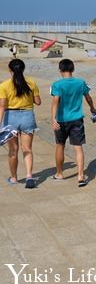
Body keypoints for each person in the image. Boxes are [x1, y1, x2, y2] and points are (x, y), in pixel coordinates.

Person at [51, 59, 96, 187]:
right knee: (78, 147)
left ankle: (59, 174)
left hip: (61, 120)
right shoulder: (81, 83)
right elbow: (88, 97)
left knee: (60, 145)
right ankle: (81, 176)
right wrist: (92, 109)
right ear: (73, 69)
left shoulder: (57, 84)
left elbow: (55, 101)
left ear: (60, 70)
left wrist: (53, 118)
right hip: (77, 119)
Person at [0, 59, 41, 188]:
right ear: (23, 69)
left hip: (10, 117)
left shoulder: (4, 85)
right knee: (27, 149)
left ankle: (14, 178)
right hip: (27, 116)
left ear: (10, 70)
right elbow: (38, 102)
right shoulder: (31, 83)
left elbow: (2, 106)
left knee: (13, 150)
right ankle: (29, 176)